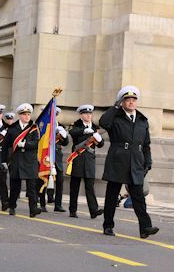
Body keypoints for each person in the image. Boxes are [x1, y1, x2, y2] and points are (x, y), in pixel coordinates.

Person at [99, 85, 159, 239]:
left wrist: (148, 161)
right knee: (112, 195)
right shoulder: (115, 117)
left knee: (138, 197)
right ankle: (108, 225)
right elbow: (103, 123)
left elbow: (146, 144)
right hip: (118, 159)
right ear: (122, 102)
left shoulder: (142, 120)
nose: (131, 102)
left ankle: (145, 228)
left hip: (136, 162)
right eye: (127, 100)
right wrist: (114, 107)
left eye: (133, 99)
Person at [1, 103, 41, 218]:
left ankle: (33, 209)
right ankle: (12, 206)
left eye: (28, 114)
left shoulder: (34, 128)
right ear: (20, 115)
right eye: (24, 115)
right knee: (15, 187)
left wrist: (25, 144)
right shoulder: (13, 129)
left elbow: (36, 143)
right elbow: (5, 146)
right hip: (17, 160)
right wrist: (4, 161)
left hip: (30, 161)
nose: (27, 117)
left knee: (32, 188)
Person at [68, 104, 104, 219]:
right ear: (81, 115)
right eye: (86, 114)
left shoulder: (94, 127)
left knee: (90, 186)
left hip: (89, 159)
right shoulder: (76, 125)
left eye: (90, 113)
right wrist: (84, 131)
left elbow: (101, 144)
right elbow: (73, 133)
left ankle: (93, 210)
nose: (88, 115)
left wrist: (98, 140)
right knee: (75, 186)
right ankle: (72, 210)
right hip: (78, 158)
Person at [38, 107, 69, 212]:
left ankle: (58, 205)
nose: (53, 116)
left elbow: (65, 143)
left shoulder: (60, 126)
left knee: (59, 181)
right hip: (46, 156)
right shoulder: (43, 126)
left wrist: (63, 135)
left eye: (55, 114)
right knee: (43, 180)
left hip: (57, 157)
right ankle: (42, 204)